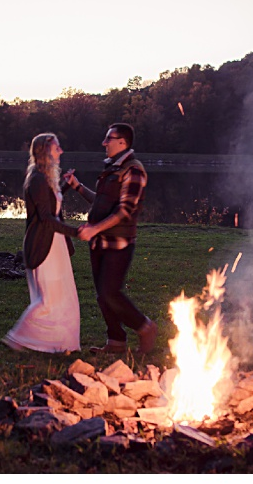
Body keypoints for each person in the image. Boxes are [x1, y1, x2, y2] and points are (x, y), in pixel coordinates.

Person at [64, 123, 157, 355]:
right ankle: (116, 342)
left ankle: (145, 327)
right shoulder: (112, 169)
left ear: (122, 142)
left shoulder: (133, 170)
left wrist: (94, 229)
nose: (104, 143)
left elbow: (125, 210)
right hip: (100, 243)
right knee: (102, 296)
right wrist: (77, 187)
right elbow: (101, 203)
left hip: (119, 244)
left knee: (109, 292)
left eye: (109, 139)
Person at [3, 133, 82, 353]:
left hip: (55, 243)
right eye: (57, 148)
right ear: (45, 152)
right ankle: (19, 337)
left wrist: (65, 186)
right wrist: (76, 232)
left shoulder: (45, 177)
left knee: (62, 295)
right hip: (44, 243)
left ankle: (59, 343)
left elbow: (50, 204)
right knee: (48, 297)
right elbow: (46, 218)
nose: (61, 151)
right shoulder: (36, 178)